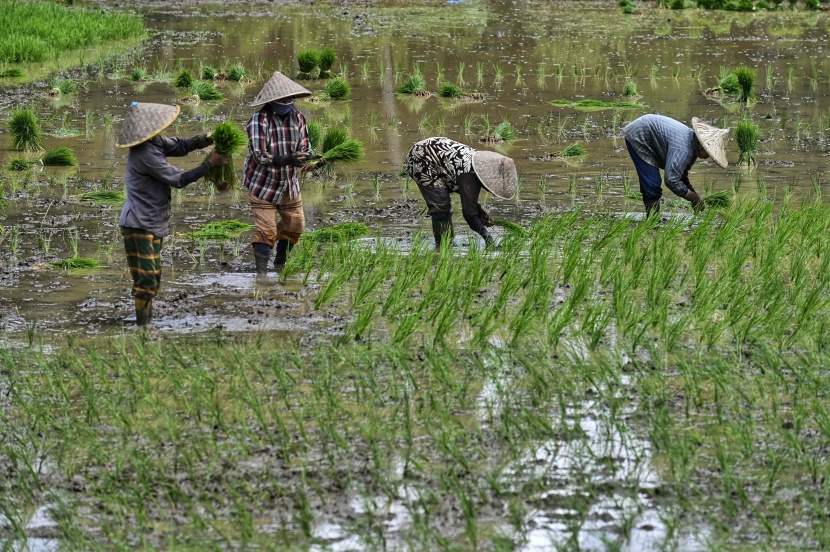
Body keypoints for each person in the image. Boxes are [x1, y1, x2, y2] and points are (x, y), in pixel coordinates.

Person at [116, 102, 228, 326]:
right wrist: (209, 164)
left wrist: (207, 138)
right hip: (139, 222)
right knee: (146, 278)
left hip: (152, 220)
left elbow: (179, 146)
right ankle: (142, 327)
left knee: (153, 275)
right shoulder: (145, 152)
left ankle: (146, 321)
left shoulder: (154, 141)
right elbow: (178, 179)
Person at [243, 71, 315, 275]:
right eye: (282, 99)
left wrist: (309, 158)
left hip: (289, 184)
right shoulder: (259, 120)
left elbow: (305, 146)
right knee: (267, 231)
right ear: (273, 100)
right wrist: (287, 159)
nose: (286, 102)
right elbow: (259, 156)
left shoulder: (298, 117)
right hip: (263, 184)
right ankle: (262, 275)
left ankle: (280, 265)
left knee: (295, 227)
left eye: (289, 98)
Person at [403, 137, 518, 248]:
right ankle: (442, 245)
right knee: (441, 207)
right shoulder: (469, 172)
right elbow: (469, 215)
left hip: (440, 160)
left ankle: (447, 243)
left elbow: (468, 197)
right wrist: (487, 237)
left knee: (444, 207)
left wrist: (481, 213)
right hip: (422, 158)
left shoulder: (475, 172)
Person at [622, 114, 729, 217]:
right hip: (639, 133)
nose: (708, 157)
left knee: (652, 182)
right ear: (703, 147)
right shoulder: (684, 149)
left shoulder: (692, 144)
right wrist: (691, 197)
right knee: (652, 183)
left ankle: (652, 219)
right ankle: (652, 221)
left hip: (648, 130)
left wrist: (695, 194)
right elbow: (671, 180)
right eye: (709, 153)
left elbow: (681, 174)